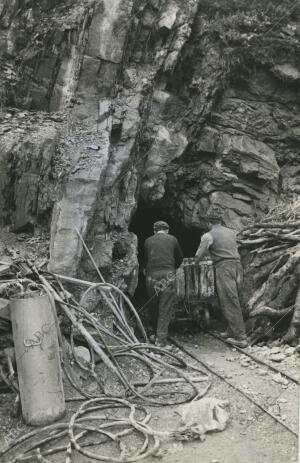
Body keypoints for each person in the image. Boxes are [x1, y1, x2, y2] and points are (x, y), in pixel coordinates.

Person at [195, 207, 248, 348]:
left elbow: (198, 256)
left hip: (224, 267)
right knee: (235, 297)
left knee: (229, 300)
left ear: (208, 223)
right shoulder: (232, 232)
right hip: (238, 266)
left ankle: (240, 337)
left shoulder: (208, 235)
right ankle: (231, 330)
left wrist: (194, 264)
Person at [144, 221, 183, 347]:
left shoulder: (148, 241)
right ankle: (160, 340)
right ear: (167, 230)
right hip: (167, 276)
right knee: (165, 307)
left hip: (151, 277)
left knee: (154, 305)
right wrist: (172, 271)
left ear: (154, 231)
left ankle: (154, 334)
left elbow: (144, 260)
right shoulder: (173, 239)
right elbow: (180, 259)